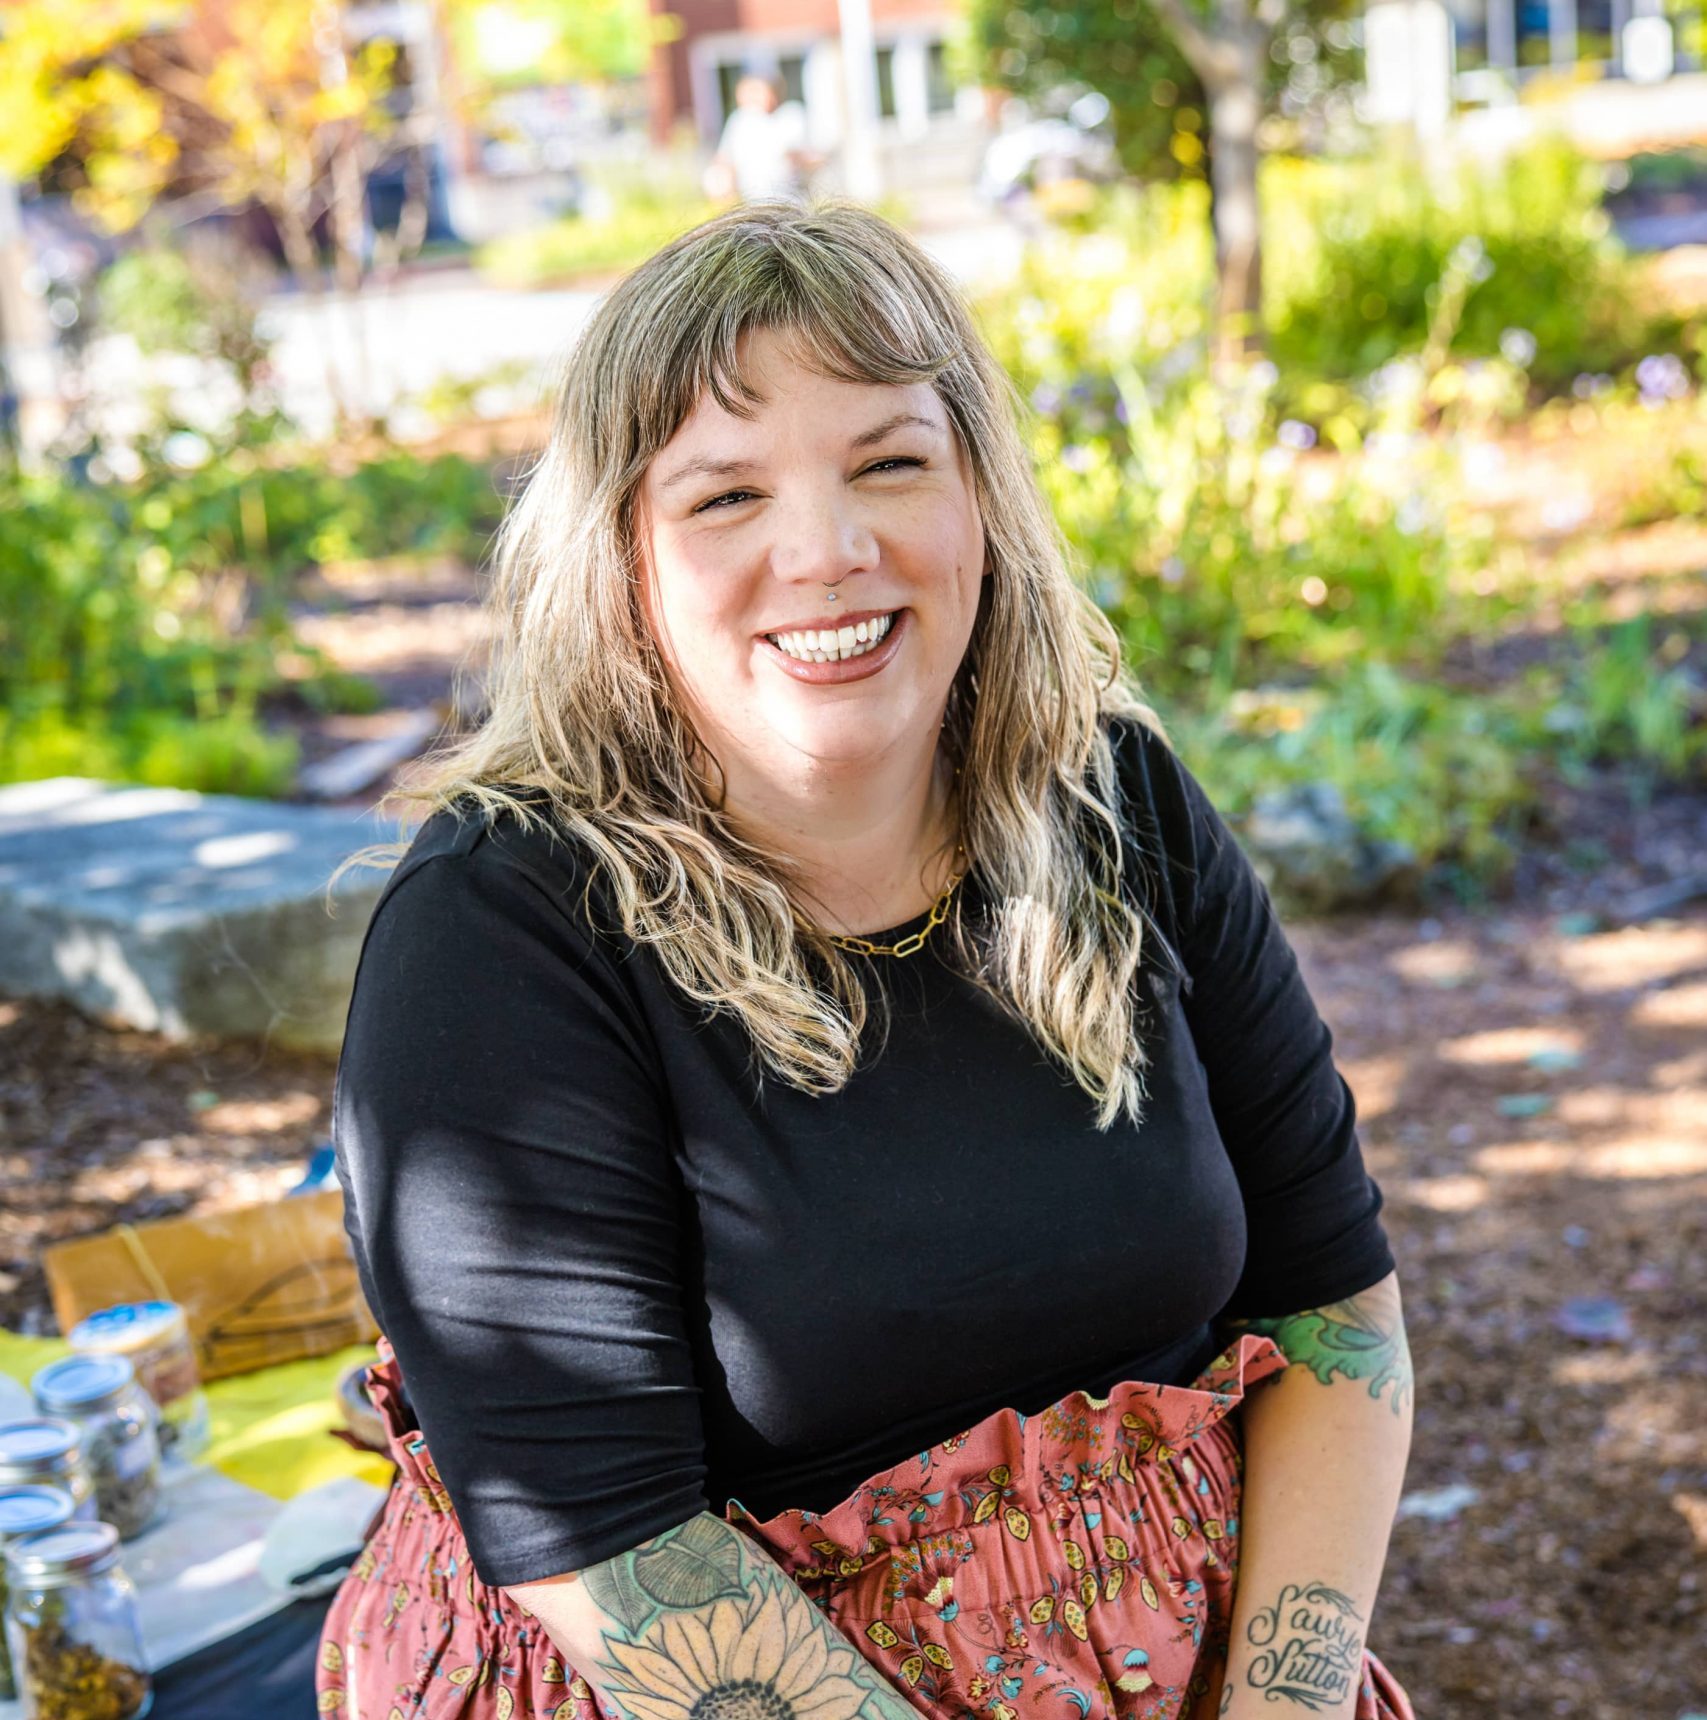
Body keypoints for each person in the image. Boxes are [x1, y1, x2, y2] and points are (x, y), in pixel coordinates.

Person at [316, 199, 1419, 1720]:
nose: (825, 552)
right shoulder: (503, 933)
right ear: (622, 560)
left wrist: (1278, 1706)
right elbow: (613, 1553)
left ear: (980, 496)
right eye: (723, 496)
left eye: (889, 462)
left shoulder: (1110, 799)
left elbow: (1329, 1309)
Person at [705, 72, 822, 203]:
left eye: (756, 91)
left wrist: (799, 159)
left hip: (792, 199)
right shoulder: (740, 121)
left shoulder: (792, 116)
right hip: (754, 200)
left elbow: (812, 157)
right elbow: (724, 159)